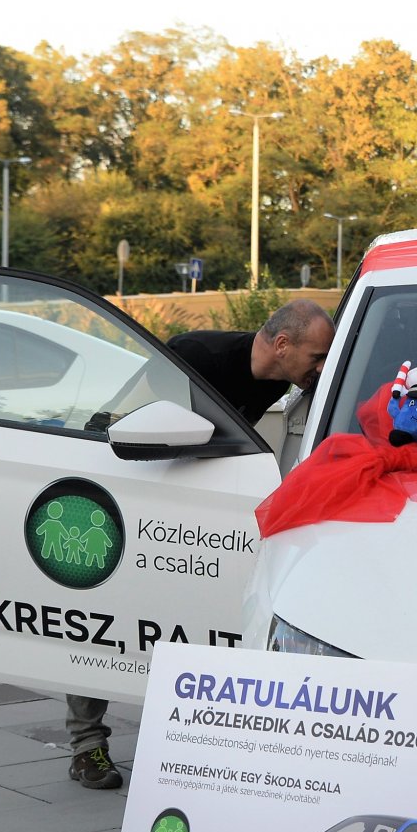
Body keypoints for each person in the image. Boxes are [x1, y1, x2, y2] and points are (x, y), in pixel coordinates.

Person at [67, 298, 335, 789]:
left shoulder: (279, 380)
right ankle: (87, 747)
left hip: (190, 516)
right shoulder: (196, 355)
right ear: (281, 344)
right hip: (132, 499)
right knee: (105, 617)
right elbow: (115, 420)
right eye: (317, 357)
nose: (322, 368)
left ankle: (187, 741)